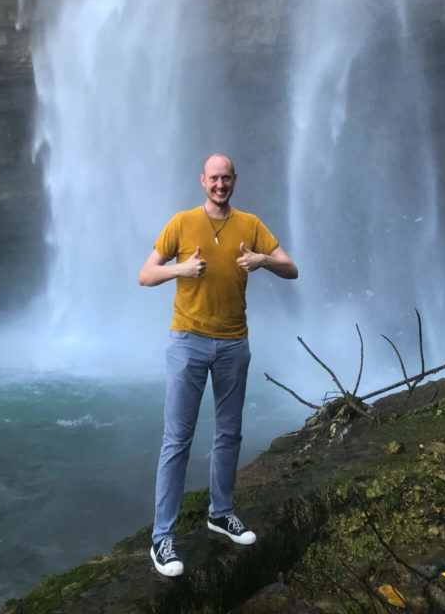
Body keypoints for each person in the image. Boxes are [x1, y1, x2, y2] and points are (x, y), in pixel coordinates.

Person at [138, 153, 298, 577]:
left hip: (233, 345)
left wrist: (264, 260)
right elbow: (144, 275)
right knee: (178, 440)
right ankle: (162, 540)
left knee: (229, 432)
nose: (220, 184)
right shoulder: (181, 222)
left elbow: (292, 268)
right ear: (202, 181)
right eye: (214, 178)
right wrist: (181, 269)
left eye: (226, 178)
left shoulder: (251, 225)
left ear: (234, 180)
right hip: (187, 343)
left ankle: (220, 512)